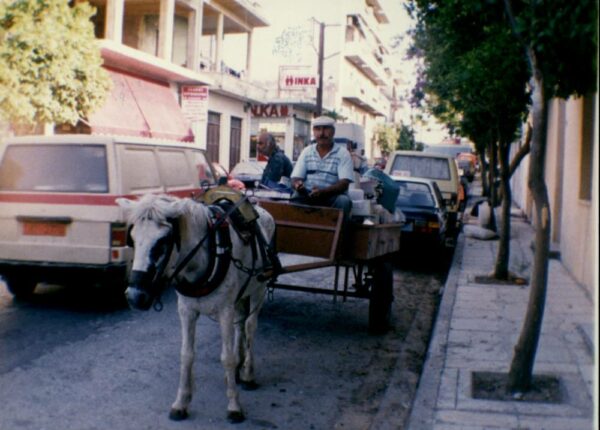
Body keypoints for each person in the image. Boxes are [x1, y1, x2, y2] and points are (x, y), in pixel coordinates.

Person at [290, 116, 354, 221]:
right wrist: (298, 185)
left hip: (332, 197)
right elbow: (295, 178)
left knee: (344, 201)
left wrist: (323, 192)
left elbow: (344, 184)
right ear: (314, 132)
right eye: (318, 129)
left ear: (333, 132)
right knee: (295, 196)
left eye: (325, 129)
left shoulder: (343, 153)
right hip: (309, 195)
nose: (321, 133)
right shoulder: (307, 152)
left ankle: (338, 235)